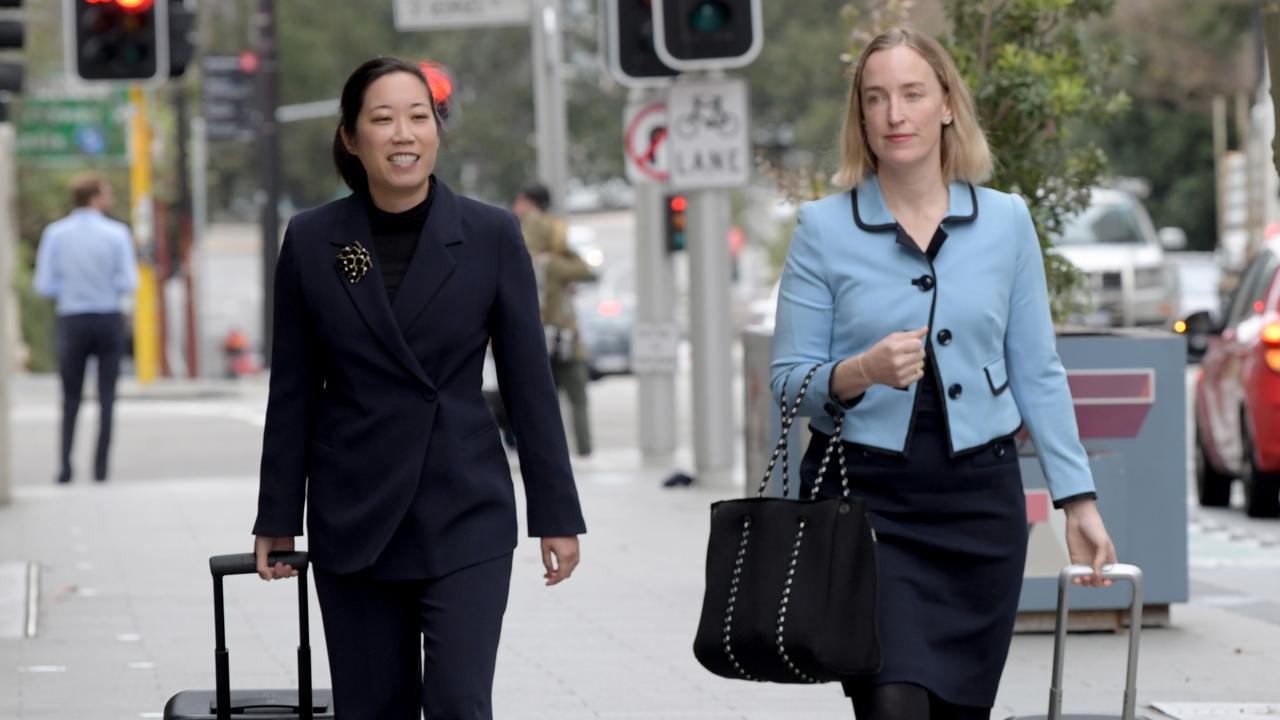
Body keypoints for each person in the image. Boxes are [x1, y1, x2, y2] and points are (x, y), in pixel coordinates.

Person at [769, 28, 1117, 720]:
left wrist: (1078, 500)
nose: (895, 114)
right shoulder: (822, 229)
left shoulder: (1006, 222)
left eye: (912, 94)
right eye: (877, 99)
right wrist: (859, 370)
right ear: (861, 119)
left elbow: (1038, 371)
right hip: (865, 507)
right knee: (893, 700)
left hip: (977, 510)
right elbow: (787, 381)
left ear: (947, 105)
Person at [251, 57, 585, 720]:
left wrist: (556, 513)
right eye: (382, 119)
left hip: (464, 507)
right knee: (373, 707)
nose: (403, 134)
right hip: (355, 511)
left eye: (417, 117)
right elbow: (292, 388)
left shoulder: (490, 234)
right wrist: (278, 516)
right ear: (351, 136)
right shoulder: (317, 240)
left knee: (461, 703)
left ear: (436, 131)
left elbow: (527, 383)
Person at [33, 173, 137, 484]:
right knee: (107, 396)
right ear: (95, 197)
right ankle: (100, 469)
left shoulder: (55, 234)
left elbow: (43, 285)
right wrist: (106, 287)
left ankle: (65, 467)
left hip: (72, 318)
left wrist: (72, 289)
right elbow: (128, 281)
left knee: (70, 397)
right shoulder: (116, 233)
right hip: (107, 317)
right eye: (106, 193)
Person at [512, 183, 596, 457]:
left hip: (533, 340)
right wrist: (565, 251)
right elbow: (588, 272)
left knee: (538, 402)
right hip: (566, 339)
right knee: (578, 400)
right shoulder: (553, 264)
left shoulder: (522, 260)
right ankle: (584, 451)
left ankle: (544, 450)